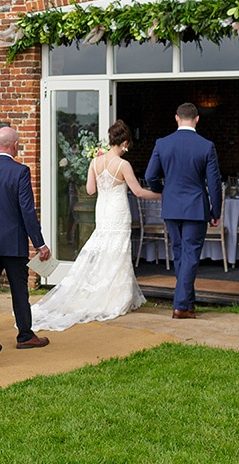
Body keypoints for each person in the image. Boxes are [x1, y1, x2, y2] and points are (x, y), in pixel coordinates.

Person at [30, 120, 160, 331]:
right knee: (118, 251)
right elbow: (138, 192)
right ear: (124, 142)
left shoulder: (94, 162)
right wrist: (162, 195)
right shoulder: (123, 164)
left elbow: (90, 190)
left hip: (103, 210)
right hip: (118, 210)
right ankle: (117, 298)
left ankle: (100, 292)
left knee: (104, 249)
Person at [0, 126, 52, 348]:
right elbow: (27, 211)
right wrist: (40, 244)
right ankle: (25, 335)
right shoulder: (20, 171)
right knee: (19, 291)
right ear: (15, 145)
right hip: (13, 244)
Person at [145, 102, 223, 319]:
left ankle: (188, 303)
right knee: (189, 255)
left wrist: (164, 191)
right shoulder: (206, 146)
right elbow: (214, 183)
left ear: (177, 118)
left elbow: (150, 176)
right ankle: (180, 305)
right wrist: (216, 211)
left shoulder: (163, 143)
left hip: (171, 207)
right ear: (197, 119)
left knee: (180, 254)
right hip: (196, 208)